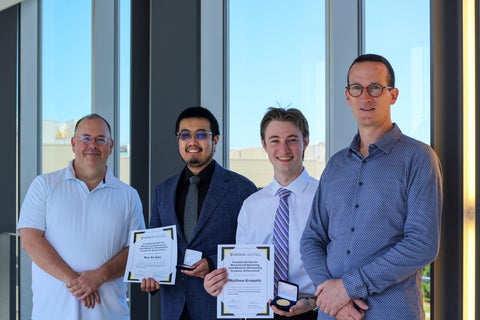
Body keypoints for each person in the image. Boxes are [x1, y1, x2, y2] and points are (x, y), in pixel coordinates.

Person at [300, 53, 443, 319]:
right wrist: (332, 296)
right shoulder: (335, 165)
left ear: (393, 95)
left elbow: (422, 243)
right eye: (357, 88)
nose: (366, 97)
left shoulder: (420, 158)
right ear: (347, 96)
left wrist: (348, 288)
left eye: (376, 88)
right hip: (333, 314)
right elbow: (311, 238)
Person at [204, 107, 333, 319]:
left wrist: (313, 303)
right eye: (274, 140)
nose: (283, 149)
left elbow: (338, 264)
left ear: (306, 142)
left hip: (314, 310)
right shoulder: (251, 206)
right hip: (260, 311)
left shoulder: (326, 198)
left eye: (292, 139)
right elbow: (241, 266)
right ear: (264, 145)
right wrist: (218, 284)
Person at [17, 113, 145, 320]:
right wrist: (76, 281)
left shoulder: (129, 196)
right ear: (73, 143)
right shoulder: (44, 186)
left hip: (109, 315)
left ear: (111, 146)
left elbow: (138, 250)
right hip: (52, 314)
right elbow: (31, 241)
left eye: (100, 139)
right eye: (86, 138)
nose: (92, 145)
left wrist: (99, 276)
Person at [140, 106, 257, 320]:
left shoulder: (242, 189)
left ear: (216, 140)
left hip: (220, 305)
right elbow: (153, 248)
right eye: (185, 135)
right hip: (174, 307)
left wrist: (212, 263)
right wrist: (151, 277)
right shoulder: (162, 192)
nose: (192, 142)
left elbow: (251, 249)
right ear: (178, 140)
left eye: (201, 135)